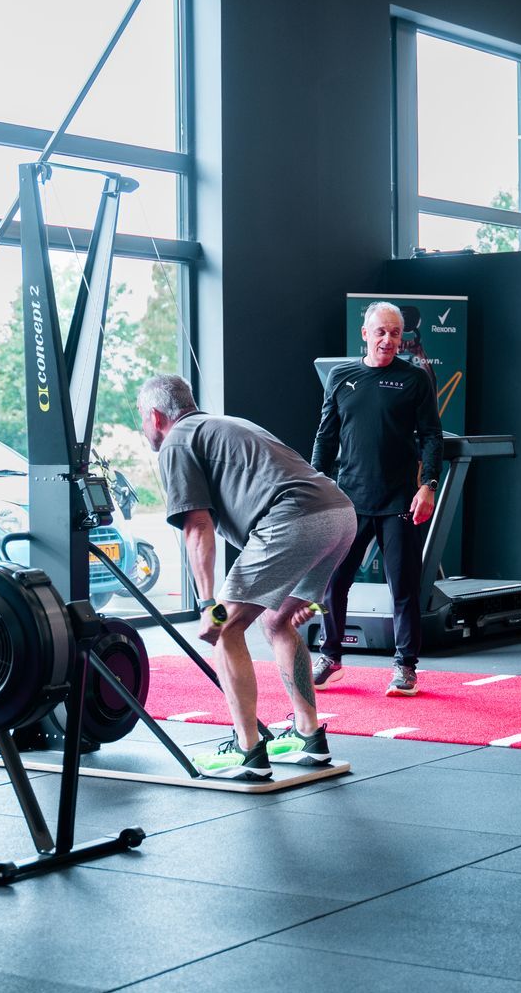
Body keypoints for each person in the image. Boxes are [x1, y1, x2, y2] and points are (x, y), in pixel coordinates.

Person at [138, 375, 357, 780]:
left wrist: (208, 605)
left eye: (142, 420)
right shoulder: (227, 425)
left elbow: (197, 527)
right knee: (276, 622)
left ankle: (248, 749)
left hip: (296, 518)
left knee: (226, 629)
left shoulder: (178, 442)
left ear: (155, 416)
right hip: (340, 515)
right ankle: (309, 737)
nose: (143, 429)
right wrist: (312, 595)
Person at [310, 301, 444, 696]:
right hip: (349, 499)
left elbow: (432, 436)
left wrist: (429, 485)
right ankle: (331, 657)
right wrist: (317, 485)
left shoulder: (415, 379)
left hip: (399, 499)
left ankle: (405, 667)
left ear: (402, 338)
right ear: (365, 333)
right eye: (381, 332)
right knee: (334, 582)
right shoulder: (341, 376)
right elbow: (325, 435)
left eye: (395, 333)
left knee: (402, 587)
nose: (388, 340)